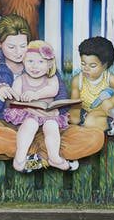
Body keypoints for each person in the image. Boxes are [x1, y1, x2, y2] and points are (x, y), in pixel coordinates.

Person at [0, 15, 104, 168]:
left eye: (23, 46)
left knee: (96, 137)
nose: (18, 52)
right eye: (11, 47)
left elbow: (60, 95)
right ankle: (45, 154)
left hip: (48, 127)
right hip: (12, 127)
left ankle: (31, 155)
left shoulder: (38, 58)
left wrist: (56, 112)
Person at [5, 40, 78, 172]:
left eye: (40, 62)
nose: (35, 66)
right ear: (23, 62)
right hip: (28, 114)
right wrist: (17, 95)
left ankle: (54, 157)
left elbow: (53, 90)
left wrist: (36, 94)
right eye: (30, 61)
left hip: (48, 115)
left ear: (49, 64)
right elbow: (14, 97)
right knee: (30, 124)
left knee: (52, 126)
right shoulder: (20, 79)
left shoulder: (51, 78)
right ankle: (20, 158)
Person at [69, 36, 114, 143]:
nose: (86, 68)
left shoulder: (108, 78)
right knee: (75, 118)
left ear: (104, 66)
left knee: (91, 121)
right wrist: (74, 112)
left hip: (105, 112)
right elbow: (75, 101)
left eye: (92, 65)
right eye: (83, 64)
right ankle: (112, 129)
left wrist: (112, 101)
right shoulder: (78, 80)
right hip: (86, 111)